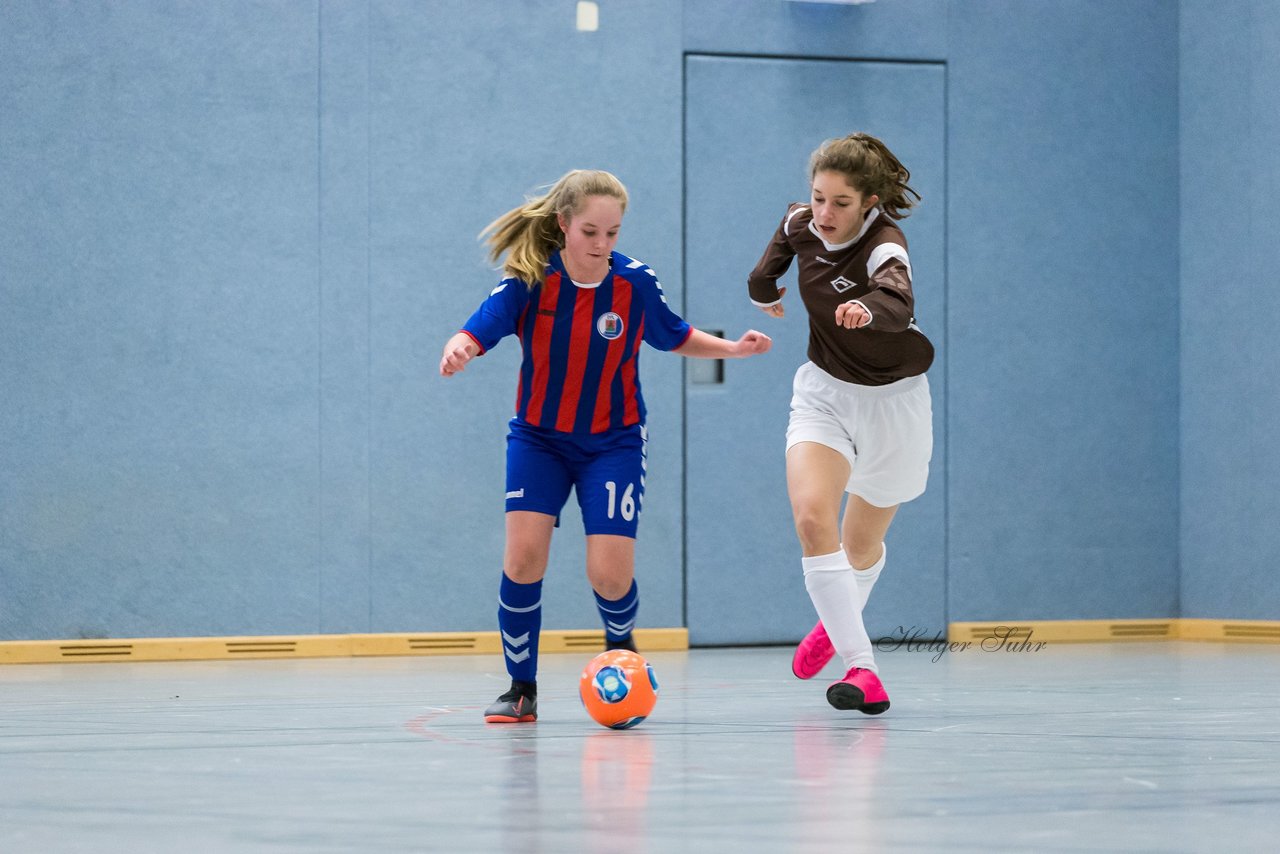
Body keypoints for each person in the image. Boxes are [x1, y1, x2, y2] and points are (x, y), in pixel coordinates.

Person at [441, 169, 772, 723]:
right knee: (523, 561)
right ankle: (521, 688)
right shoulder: (530, 278)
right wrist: (459, 347)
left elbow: (673, 333)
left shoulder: (635, 283)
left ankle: (623, 650)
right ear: (564, 224)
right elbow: (481, 327)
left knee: (609, 575)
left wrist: (733, 350)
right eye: (590, 232)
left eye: (612, 234)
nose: (601, 245)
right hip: (538, 439)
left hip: (613, 442)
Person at [747, 133, 934, 715]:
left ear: (870, 201)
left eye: (841, 203)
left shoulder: (885, 245)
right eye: (818, 197)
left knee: (860, 547)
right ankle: (864, 667)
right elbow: (777, 250)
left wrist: (869, 307)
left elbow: (899, 302)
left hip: (894, 404)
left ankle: (837, 619)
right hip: (824, 394)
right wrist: (763, 288)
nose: (824, 214)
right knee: (811, 518)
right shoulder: (804, 220)